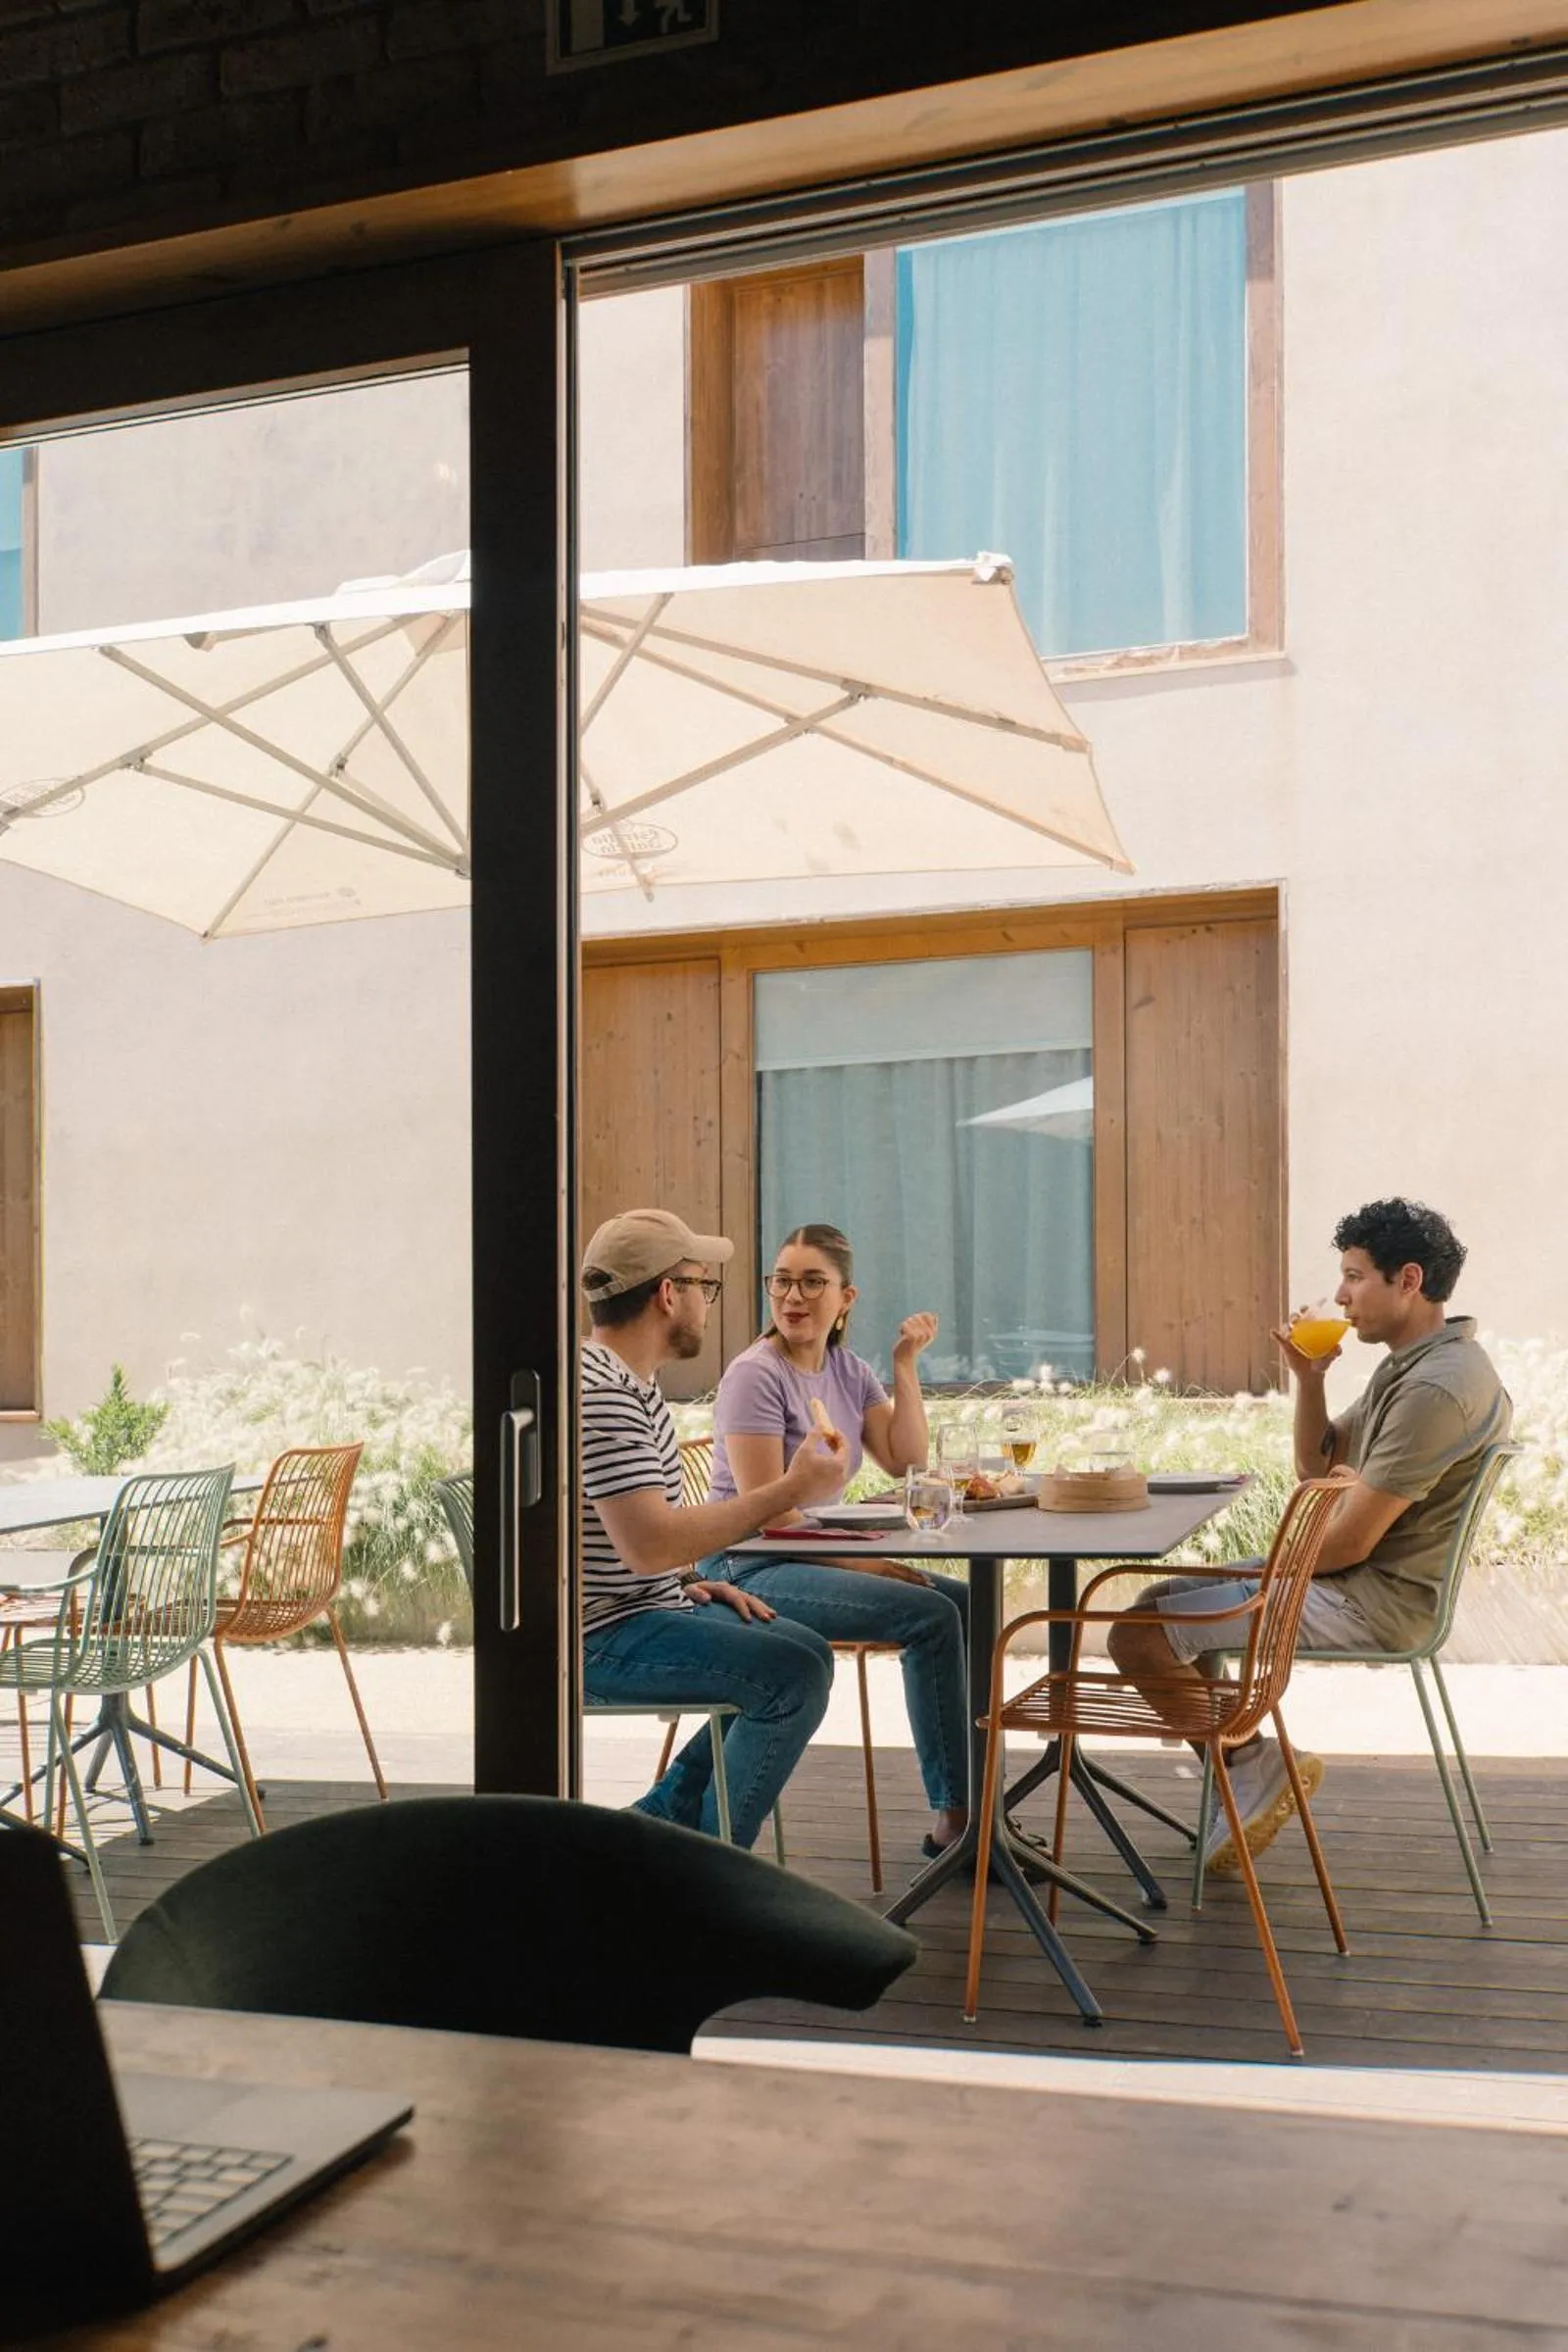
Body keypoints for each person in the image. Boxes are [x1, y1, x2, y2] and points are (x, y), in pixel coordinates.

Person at [1108, 1197, 1511, 1877]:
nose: (1340, 1295)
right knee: (1165, 1604)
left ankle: (1252, 1765)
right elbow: (1316, 1465)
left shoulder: (1437, 1390)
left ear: (1407, 1281)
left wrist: (1258, 1571)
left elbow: (1349, 1545)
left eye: (1355, 1276)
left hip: (1370, 1600)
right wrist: (1309, 1380)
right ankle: (1246, 1772)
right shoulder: (1412, 1367)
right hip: (1360, 1583)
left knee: (1138, 1632)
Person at [579, 1206, 849, 1850]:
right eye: (704, 1285)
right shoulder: (604, 1394)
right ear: (669, 1295)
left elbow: (647, 1543)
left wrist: (692, 1579)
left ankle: (662, 1829)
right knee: (790, 1676)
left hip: (641, 1605)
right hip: (600, 1636)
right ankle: (713, 1878)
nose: (708, 1302)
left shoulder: (628, 1382)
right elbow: (648, 1544)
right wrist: (790, 1488)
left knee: (806, 1651)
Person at [700, 1223, 971, 1860]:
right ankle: (957, 1821)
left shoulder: (846, 1371)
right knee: (932, 1615)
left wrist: (905, 1363)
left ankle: (976, 1808)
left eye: (812, 1282)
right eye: (782, 1280)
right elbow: (769, 1513)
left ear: (846, 1298)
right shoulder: (755, 1377)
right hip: (745, 1565)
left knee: (966, 1604)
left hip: (804, 1553)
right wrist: (863, 1561)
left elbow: (906, 1461)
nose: (793, 1295)